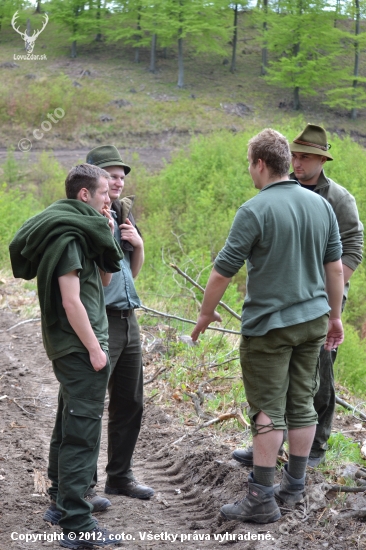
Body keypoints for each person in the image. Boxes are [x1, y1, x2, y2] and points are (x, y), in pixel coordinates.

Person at [191, 128, 344, 524]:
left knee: (267, 411)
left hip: (269, 328)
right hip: (312, 322)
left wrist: (206, 314)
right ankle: (294, 487)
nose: (250, 173)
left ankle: (261, 498)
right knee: (302, 404)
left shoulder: (254, 210)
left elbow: (223, 271)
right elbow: (334, 267)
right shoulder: (320, 205)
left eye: (250, 165)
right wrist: (335, 316)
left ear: (260, 164)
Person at [232, 124, 363, 469]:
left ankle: (315, 447)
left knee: (316, 378)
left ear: (322, 160)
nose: (299, 162)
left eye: (307, 157)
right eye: (296, 155)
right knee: (273, 382)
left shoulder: (338, 198)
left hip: (321, 302)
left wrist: (327, 288)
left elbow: (352, 249)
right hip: (280, 302)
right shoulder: (279, 189)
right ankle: (269, 449)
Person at [9, 164, 123, 548]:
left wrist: (107, 236)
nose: (110, 198)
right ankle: (77, 524)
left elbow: (104, 281)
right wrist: (95, 350)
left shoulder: (83, 232)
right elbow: (72, 301)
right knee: (82, 432)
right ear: (84, 196)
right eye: (104, 191)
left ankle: (61, 502)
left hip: (79, 346)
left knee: (68, 419)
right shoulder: (68, 239)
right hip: (79, 346)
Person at [85, 145, 154, 499]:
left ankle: (120, 476)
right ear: (93, 176)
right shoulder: (85, 217)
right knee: (89, 402)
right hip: (100, 321)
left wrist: (138, 247)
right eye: (111, 175)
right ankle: (83, 484)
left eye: (122, 175)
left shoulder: (122, 214)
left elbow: (128, 274)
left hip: (129, 319)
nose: (119, 181)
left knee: (130, 400)